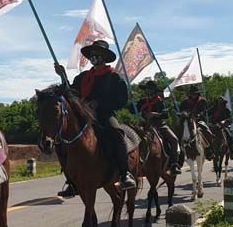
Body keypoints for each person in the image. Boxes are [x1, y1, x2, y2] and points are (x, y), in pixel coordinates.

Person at [54, 40, 137, 190]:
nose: (94, 56)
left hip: (104, 115)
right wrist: (63, 76)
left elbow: (121, 99)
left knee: (116, 133)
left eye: (97, 54)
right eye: (92, 54)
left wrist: (99, 103)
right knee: (61, 140)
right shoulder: (83, 77)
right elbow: (71, 93)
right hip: (83, 116)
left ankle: (125, 173)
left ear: (104, 57)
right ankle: (71, 180)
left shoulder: (114, 77)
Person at [139, 80, 181, 174]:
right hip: (145, 124)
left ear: (154, 90)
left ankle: (174, 164)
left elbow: (166, 114)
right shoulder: (142, 101)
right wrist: (131, 99)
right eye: (147, 89)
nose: (148, 91)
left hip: (159, 124)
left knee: (174, 139)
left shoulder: (160, 101)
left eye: (150, 89)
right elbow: (132, 110)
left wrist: (155, 114)